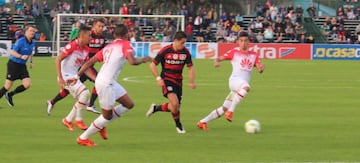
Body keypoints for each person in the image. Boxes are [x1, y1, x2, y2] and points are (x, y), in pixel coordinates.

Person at [75, 24, 152, 146]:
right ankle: (83, 137)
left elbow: (89, 62)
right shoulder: (125, 44)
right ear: (127, 34)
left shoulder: (108, 47)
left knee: (129, 104)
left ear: (114, 35)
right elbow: (132, 61)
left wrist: (77, 76)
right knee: (106, 116)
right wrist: (143, 59)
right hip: (105, 83)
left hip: (108, 81)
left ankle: (102, 124)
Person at [197, 31, 265, 130]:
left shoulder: (254, 55)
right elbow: (218, 58)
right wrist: (216, 62)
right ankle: (231, 111)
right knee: (246, 88)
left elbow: (259, 68)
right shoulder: (234, 52)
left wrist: (261, 68)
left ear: (249, 41)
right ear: (238, 41)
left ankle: (202, 122)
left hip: (237, 88)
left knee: (224, 108)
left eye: (245, 41)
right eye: (241, 41)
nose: (243, 43)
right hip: (234, 81)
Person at [47, 18, 107, 115]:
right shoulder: (80, 40)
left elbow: (100, 53)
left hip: (84, 67)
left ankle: (52, 102)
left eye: (102, 26)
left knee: (69, 91)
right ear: (94, 26)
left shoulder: (100, 40)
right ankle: (89, 106)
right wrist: (61, 78)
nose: (100, 28)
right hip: (76, 69)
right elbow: (60, 57)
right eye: (99, 26)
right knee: (92, 87)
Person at [146, 31, 196, 134]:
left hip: (178, 82)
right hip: (167, 80)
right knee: (175, 103)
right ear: (176, 41)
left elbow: (190, 67)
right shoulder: (165, 51)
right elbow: (152, 65)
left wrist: (191, 81)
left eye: (184, 43)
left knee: (175, 107)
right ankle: (179, 126)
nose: (183, 45)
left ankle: (156, 108)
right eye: (182, 43)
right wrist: (158, 78)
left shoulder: (185, 53)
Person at [55, 26, 94, 131]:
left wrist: (96, 79)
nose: (91, 38)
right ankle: (78, 120)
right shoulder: (72, 46)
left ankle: (68, 120)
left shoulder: (86, 49)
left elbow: (85, 68)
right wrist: (60, 78)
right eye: (89, 35)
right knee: (85, 93)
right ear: (82, 36)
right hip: (65, 77)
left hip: (73, 77)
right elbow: (58, 59)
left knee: (83, 98)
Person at [0, 25, 36, 107]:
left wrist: (31, 62)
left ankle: (10, 95)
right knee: (7, 86)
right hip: (13, 65)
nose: (32, 32)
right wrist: (20, 56)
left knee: (27, 85)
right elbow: (12, 52)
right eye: (30, 30)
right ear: (26, 32)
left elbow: (30, 52)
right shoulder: (20, 41)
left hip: (22, 66)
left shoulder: (32, 42)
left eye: (33, 31)